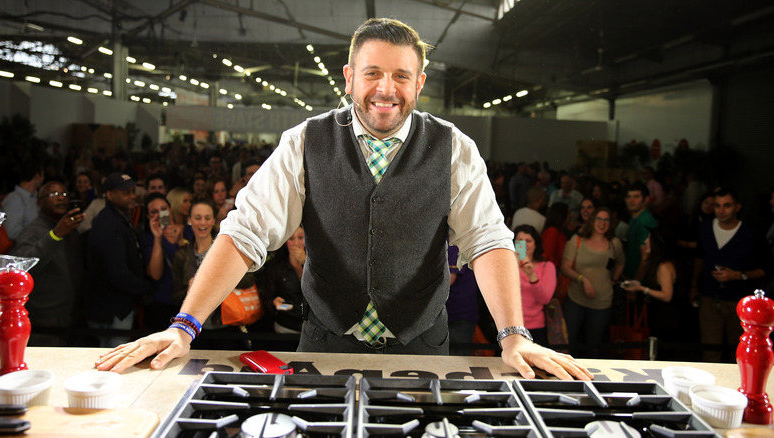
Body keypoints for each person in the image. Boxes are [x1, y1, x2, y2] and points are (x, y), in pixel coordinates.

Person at [95, 18, 591, 382]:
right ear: (349, 77)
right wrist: (183, 328)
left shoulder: (453, 147)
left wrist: (512, 334)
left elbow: (486, 240)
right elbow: (245, 232)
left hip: (422, 341)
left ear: (418, 84)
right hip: (326, 341)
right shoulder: (305, 141)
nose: (386, 89)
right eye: (373, 73)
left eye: (401, 76)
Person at [171, 200, 260, 349]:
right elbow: (175, 297)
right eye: (198, 218)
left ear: (214, 220)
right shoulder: (182, 255)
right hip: (192, 329)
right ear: (190, 220)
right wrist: (190, 291)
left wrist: (219, 280)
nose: (202, 223)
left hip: (225, 326)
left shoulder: (228, 249)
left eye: (207, 218)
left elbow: (250, 279)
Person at [691, 188, 767, 362]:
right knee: (710, 351)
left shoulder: (751, 233)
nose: (721, 210)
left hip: (738, 302)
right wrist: (694, 285)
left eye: (727, 206)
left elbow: (765, 268)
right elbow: (699, 257)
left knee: (738, 351)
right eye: (717, 206)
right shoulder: (706, 228)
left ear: (737, 207)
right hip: (709, 298)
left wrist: (738, 275)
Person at [9, 181, 85, 346]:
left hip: (70, 313)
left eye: (64, 194)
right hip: (46, 317)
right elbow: (24, 268)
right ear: (39, 202)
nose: (60, 198)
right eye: (53, 194)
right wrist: (55, 235)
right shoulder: (33, 231)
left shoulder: (70, 229)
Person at [85, 172, 153, 347]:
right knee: (114, 352)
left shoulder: (118, 218)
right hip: (113, 308)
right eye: (126, 193)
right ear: (109, 195)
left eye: (132, 191)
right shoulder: (109, 225)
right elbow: (117, 274)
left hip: (117, 304)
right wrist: (147, 288)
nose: (132, 196)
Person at [560, 208, 625, 358]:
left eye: (606, 220)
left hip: (602, 301)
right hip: (576, 298)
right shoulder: (577, 240)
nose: (602, 223)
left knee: (594, 344)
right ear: (592, 221)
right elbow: (565, 267)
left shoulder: (614, 243)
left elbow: (621, 263)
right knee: (570, 340)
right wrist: (583, 279)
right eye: (599, 219)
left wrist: (613, 280)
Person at [140, 192, 185, 330]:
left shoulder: (187, 231)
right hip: (163, 303)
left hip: (187, 300)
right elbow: (155, 274)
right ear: (148, 216)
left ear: (170, 210)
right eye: (154, 211)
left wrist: (181, 241)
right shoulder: (148, 239)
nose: (160, 214)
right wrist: (158, 238)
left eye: (163, 209)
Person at [513, 225, 556, 346]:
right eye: (520, 241)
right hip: (510, 327)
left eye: (528, 241)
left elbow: (545, 299)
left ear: (536, 244)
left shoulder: (547, 267)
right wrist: (512, 266)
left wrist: (531, 275)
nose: (524, 244)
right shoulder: (507, 265)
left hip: (536, 327)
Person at [259, 226, 307, 334]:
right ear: (285, 242)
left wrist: (305, 264)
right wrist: (273, 303)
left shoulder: (316, 265)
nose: (296, 243)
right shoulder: (275, 266)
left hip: (312, 325)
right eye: (291, 239)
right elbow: (266, 298)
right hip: (286, 324)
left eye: (300, 238)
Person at [446, 244, 480, 356]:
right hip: (460, 311)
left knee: (456, 361)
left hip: (458, 312)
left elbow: (449, 279)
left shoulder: (452, 242)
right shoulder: (461, 239)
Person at [623, 182, 658, 281]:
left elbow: (646, 258)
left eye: (636, 197)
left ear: (646, 200)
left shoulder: (644, 221)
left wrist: (635, 284)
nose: (631, 200)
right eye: (628, 197)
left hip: (640, 282)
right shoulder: (635, 218)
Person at [1, 161, 44, 242]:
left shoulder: (33, 198)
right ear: (37, 176)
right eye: (43, 175)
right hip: (19, 251)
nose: (43, 179)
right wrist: (38, 234)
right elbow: (12, 232)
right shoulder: (15, 199)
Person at [541, 202, 570, 267]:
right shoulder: (552, 231)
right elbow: (548, 256)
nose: (571, 216)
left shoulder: (559, 232)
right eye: (568, 213)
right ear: (561, 215)